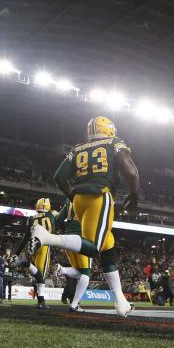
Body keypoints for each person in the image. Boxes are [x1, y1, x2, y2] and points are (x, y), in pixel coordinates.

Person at [29, 116, 140, 317]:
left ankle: (120, 300)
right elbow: (132, 172)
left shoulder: (78, 147)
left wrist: (73, 195)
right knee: (94, 247)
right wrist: (134, 197)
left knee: (108, 245)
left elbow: (59, 177)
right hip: (99, 195)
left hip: (79, 199)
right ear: (108, 129)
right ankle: (47, 238)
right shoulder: (114, 142)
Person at [13, 197, 57, 309]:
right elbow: (54, 232)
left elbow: (25, 237)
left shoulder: (31, 218)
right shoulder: (50, 216)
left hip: (32, 247)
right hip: (44, 245)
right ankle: (41, 301)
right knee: (40, 275)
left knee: (37, 274)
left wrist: (17, 252)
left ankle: (39, 300)